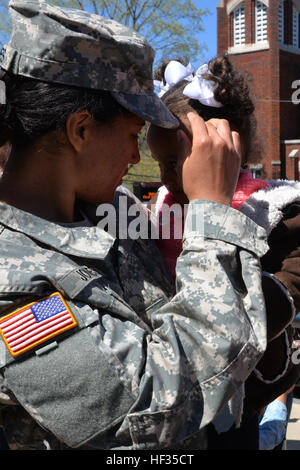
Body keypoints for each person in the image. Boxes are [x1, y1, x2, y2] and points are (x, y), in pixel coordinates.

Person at [0, 0, 269, 450]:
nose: (133, 157)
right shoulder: (14, 281)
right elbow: (148, 407)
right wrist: (213, 212)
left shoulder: (114, 214)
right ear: (80, 130)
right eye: (130, 135)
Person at [147, 55, 300, 448]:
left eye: (174, 161)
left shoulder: (275, 209)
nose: (165, 177)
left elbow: (283, 293)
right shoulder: (161, 206)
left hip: (236, 397)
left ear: (226, 148)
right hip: (170, 389)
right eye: (159, 162)